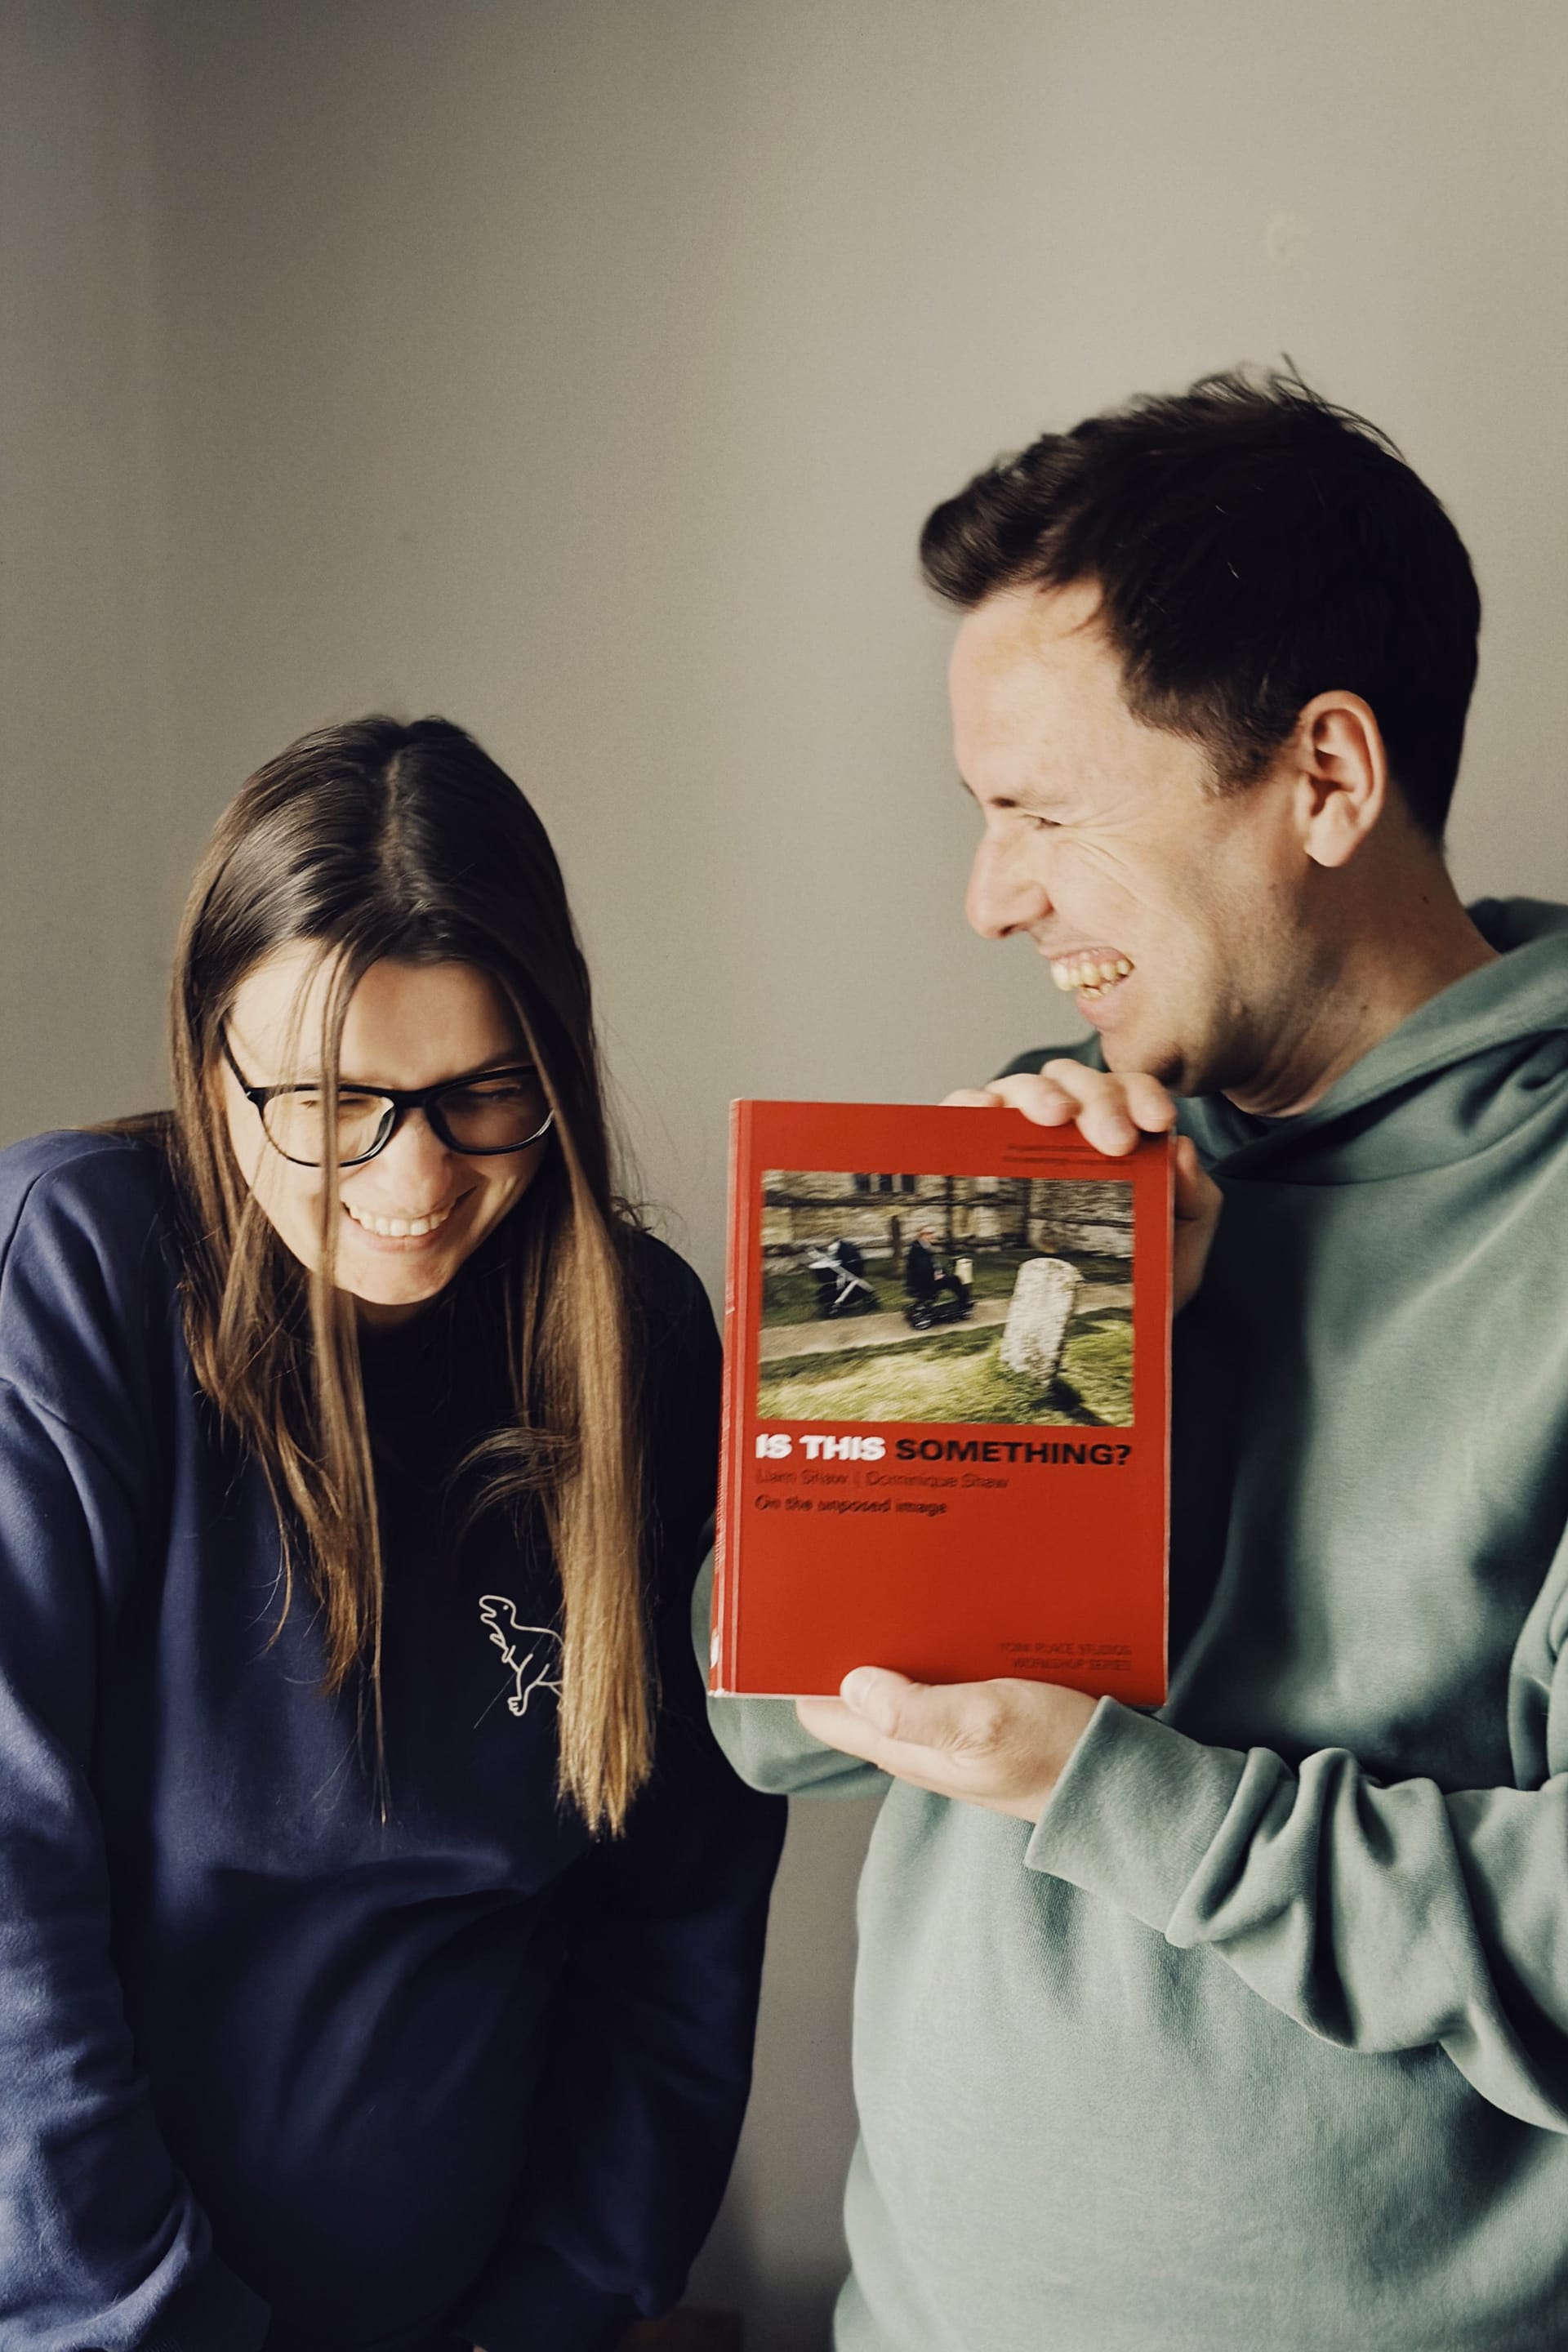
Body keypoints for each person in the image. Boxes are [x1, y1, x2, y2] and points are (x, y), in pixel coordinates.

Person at [701, 372, 1568, 2349]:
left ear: (1325, 780)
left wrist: (1116, 1793)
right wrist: (1008, 1358)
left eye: (1038, 814)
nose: (988, 896)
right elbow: (754, 1710)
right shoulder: (1045, 1162)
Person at [0, 716, 785, 2352]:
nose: (412, 1176)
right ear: (211, 1060)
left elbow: (681, 1917)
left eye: (482, 1095)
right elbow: (15, 1902)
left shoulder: (632, 1337)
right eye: (333, 1101)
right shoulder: (79, 1271)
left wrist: (562, 2306)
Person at [902, 1223, 963, 1311]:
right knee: (955, 1279)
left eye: (931, 1234)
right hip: (924, 1283)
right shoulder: (918, 1249)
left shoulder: (922, 1246)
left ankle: (961, 1301)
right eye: (928, 1234)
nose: (931, 1236)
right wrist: (936, 1276)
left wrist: (941, 1272)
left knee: (950, 1278)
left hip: (924, 1280)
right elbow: (923, 1267)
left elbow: (931, 1264)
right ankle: (964, 1302)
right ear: (921, 1236)